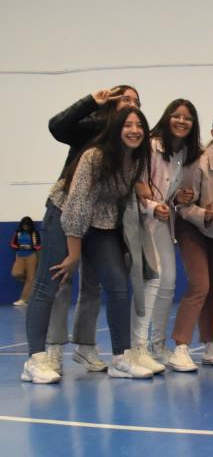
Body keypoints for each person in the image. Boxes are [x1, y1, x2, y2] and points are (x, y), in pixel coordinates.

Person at [23, 107, 153, 383]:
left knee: (118, 284)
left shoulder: (136, 159)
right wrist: (73, 254)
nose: (134, 130)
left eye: (139, 125)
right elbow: (77, 206)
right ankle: (35, 360)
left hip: (101, 223)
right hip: (64, 215)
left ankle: (120, 359)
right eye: (127, 125)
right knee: (49, 283)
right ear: (115, 129)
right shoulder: (94, 156)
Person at [44, 85, 141, 374]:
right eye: (125, 98)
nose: (131, 103)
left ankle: (85, 346)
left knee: (93, 286)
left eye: (136, 101)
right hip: (69, 209)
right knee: (62, 278)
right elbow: (57, 126)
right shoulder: (92, 127)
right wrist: (90, 102)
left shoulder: (133, 141)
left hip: (103, 220)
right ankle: (53, 348)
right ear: (112, 102)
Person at [168, 112, 213, 372]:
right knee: (199, 285)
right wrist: (205, 215)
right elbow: (182, 205)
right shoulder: (197, 163)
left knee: (211, 287)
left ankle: (210, 344)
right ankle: (180, 347)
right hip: (192, 227)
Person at [131, 99, 202, 371]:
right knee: (152, 281)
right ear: (167, 117)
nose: (182, 121)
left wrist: (177, 198)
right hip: (140, 221)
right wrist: (152, 207)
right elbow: (136, 186)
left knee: (168, 282)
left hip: (162, 222)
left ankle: (157, 345)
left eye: (187, 118)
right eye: (177, 116)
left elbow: (166, 192)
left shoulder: (183, 153)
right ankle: (137, 347)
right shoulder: (149, 146)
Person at [10, 216, 41, 306]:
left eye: (27, 225)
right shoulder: (18, 233)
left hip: (31, 256)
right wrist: (20, 246)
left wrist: (31, 247)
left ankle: (24, 299)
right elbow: (12, 244)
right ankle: (31, 284)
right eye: (24, 225)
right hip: (19, 255)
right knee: (16, 273)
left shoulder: (34, 233)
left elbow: (39, 245)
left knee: (31, 278)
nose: (25, 227)